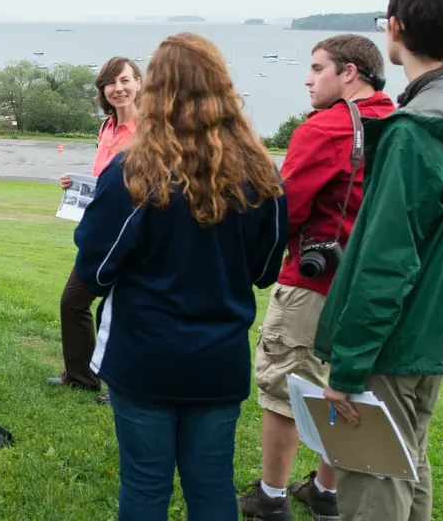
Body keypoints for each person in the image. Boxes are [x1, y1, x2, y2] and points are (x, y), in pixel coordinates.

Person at [315, 0, 443, 521]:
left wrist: (349, 368)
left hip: (394, 340)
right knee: (407, 462)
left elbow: (386, 260)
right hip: (435, 328)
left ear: (396, 27)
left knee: (374, 476)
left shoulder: (414, 131)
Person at [73, 32, 287, 521]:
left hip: (144, 354)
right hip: (217, 357)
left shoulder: (135, 170)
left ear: (157, 92)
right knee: (210, 488)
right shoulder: (260, 174)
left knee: (146, 486)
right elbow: (264, 269)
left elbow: (95, 268)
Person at [239, 34, 396, 521]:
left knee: (287, 389)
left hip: (315, 280)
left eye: (317, 69)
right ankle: (326, 490)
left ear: (349, 72)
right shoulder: (399, 123)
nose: (308, 79)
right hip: (373, 286)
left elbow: (288, 207)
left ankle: (271, 494)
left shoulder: (325, 128)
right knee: (345, 387)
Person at [46, 56, 142, 405]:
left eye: (125, 80)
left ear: (139, 84)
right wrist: (77, 185)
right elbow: (105, 179)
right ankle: (81, 378)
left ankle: (122, 389)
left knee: (128, 312)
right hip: (101, 235)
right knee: (73, 302)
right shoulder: (107, 128)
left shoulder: (152, 130)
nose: (118, 88)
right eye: (111, 83)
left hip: (136, 236)